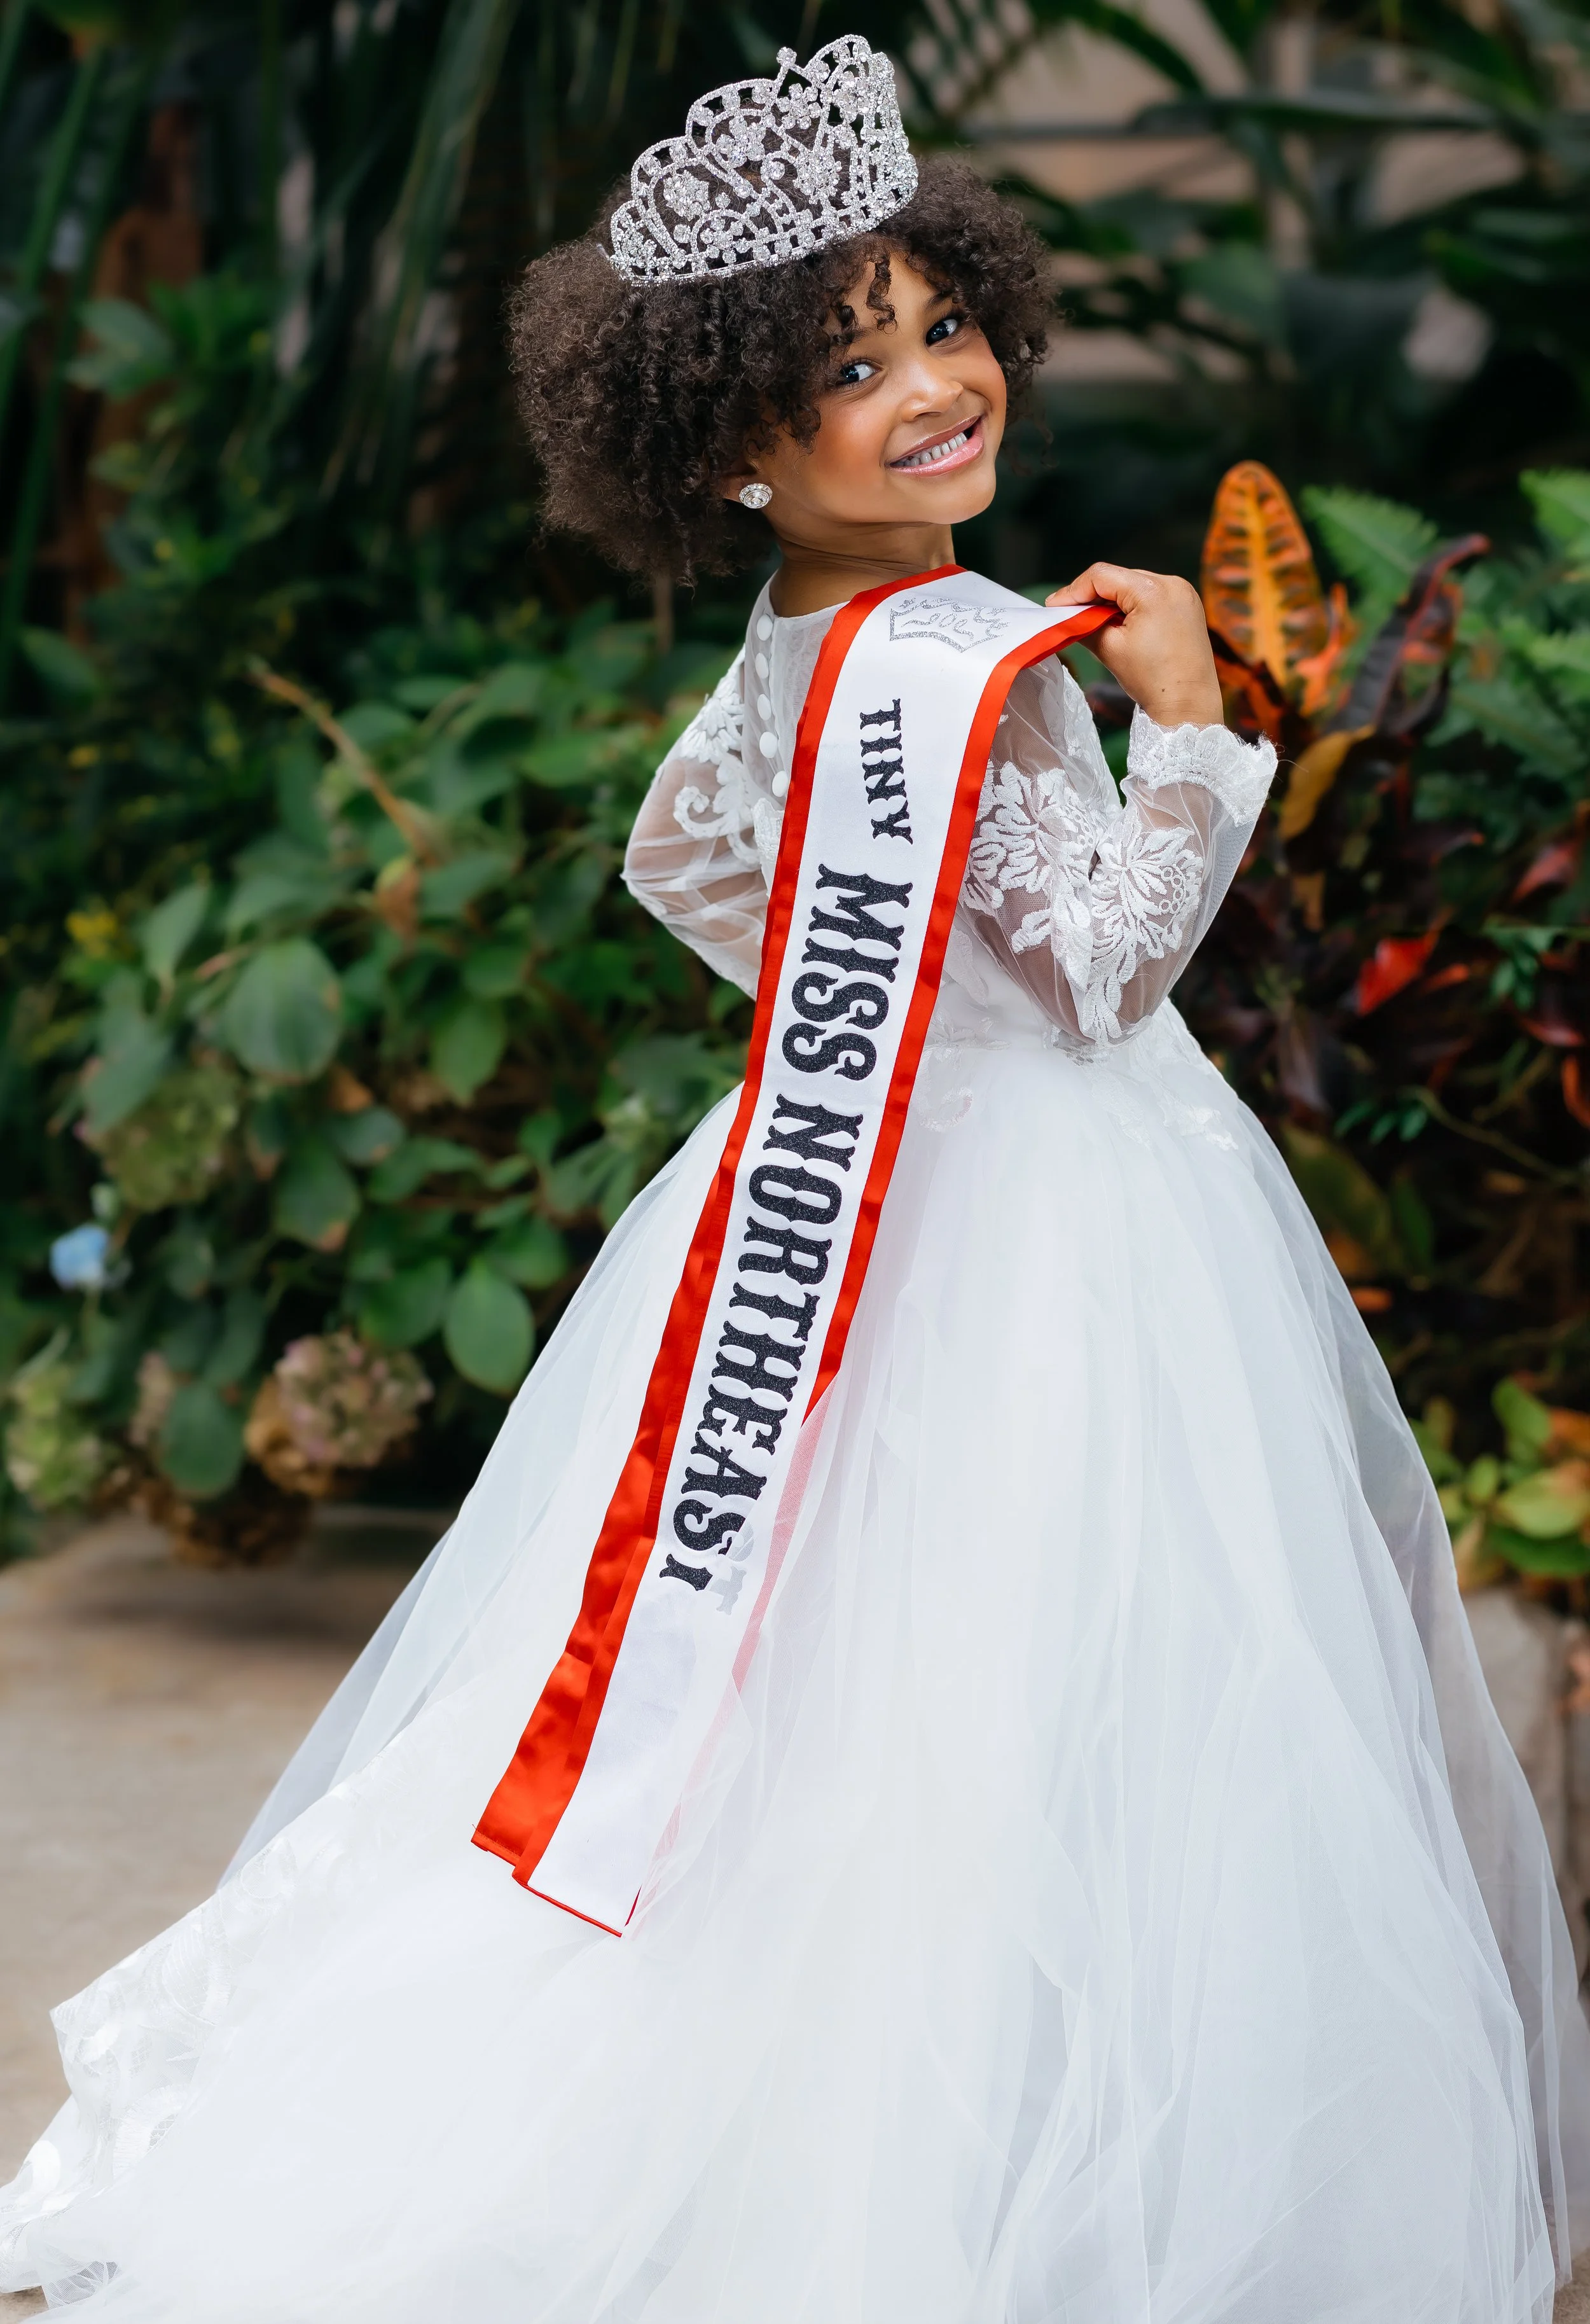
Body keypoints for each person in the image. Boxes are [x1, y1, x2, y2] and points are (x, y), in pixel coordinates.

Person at [3, 36, 1586, 2323]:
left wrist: (877, 997)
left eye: (946, 321)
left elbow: (685, 852)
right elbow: (1110, 973)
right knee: (1043, 1703)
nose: (932, 383)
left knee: (819, 1713)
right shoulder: (959, 649)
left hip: (823, 1189)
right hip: (1042, 1230)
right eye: (850, 366)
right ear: (728, 449)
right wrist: (1200, 718)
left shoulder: (799, 644)